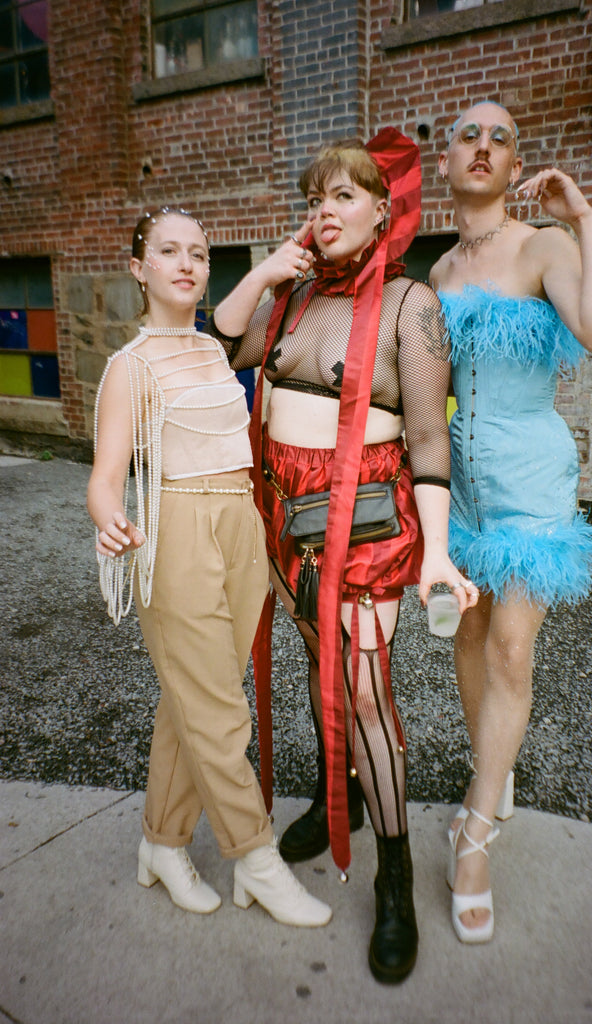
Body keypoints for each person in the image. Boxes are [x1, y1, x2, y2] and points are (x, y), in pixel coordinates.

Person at [208, 130, 478, 983]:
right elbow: (222, 346)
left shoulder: (411, 306)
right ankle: (349, 798)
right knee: (319, 666)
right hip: (286, 525)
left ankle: (393, 876)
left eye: (343, 196)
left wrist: (436, 554)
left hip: (365, 529)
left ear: (381, 210)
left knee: (364, 697)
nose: (324, 211)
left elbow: (431, 439)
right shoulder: (288, 301)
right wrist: (263, 272)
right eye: (315, 198)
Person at [86, 205, 331, 929]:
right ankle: (255, 858)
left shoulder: (210, 347)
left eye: (198, 251)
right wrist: (108, 520)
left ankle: (161, 842)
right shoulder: (128, 368)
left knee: (197, 695)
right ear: (140, 268)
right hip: (178, 529)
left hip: (240, 525)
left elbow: (229, 313)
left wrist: (266, 270)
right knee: (220, 713)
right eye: (168, 252)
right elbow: (104, 476)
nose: (187, 263)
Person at [430, 102, 592, 944]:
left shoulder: (541, 246)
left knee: (511, 642)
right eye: (468, 135)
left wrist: (581, 220)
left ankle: (475, 833)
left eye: (499, 137)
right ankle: (492, 773)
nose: (483, 145)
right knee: (468, 639)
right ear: (445, 163)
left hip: (528, 479)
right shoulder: (436, 272)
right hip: (462, 489)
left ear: (516, 168)